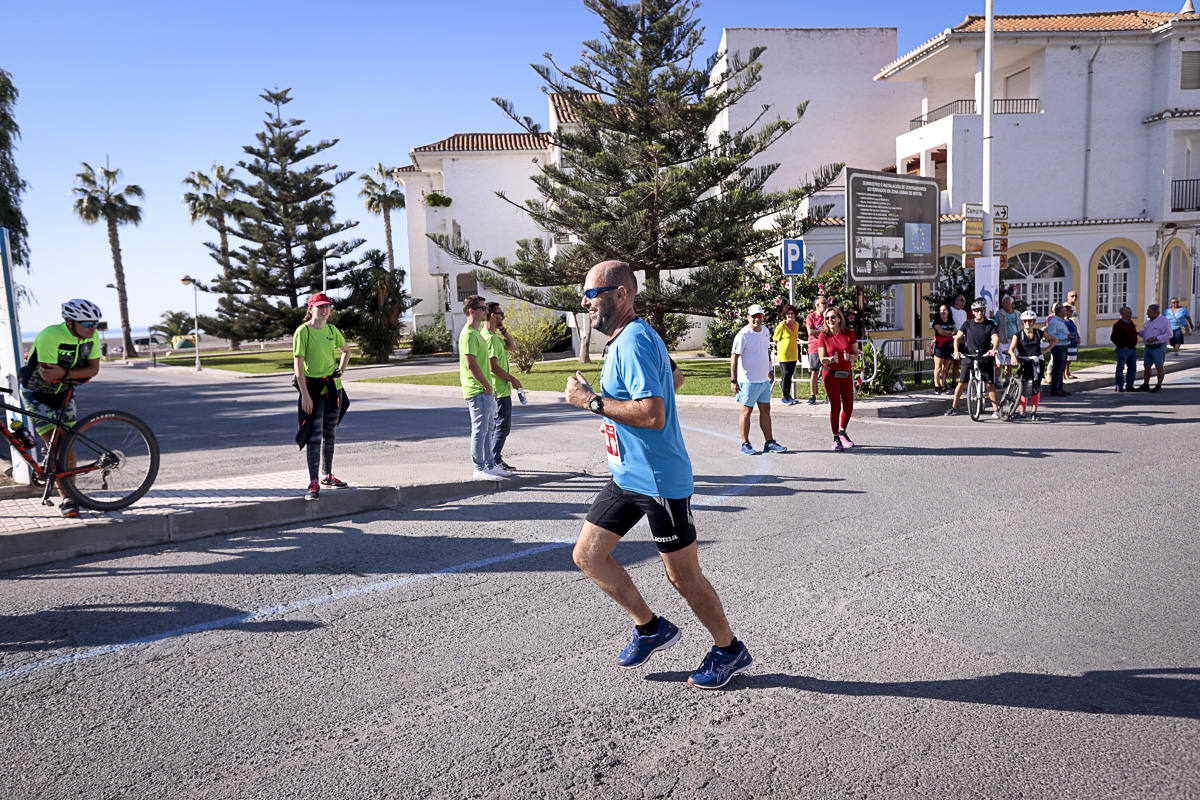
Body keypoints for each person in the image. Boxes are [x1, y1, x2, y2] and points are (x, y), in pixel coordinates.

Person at [565, 260, 752, 690]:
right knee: (588, 556)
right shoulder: (634, 337)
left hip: (659, 481)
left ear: (620, 294)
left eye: (592, 294)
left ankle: (729, 649)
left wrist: (592, 403)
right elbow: (676, 377)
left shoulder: (631, 342)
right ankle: (651, 628)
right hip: (626, 475)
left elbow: (651, 413)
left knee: (682, 577)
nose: (585, 301)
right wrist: (615, 416)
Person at [19, 299, 103, 518]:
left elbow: (93, 370)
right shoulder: (50, 335)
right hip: (38, 392)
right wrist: (74, 375)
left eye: (95, 323)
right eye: (87, 323)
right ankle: (67, 499)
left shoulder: (91, 336)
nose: (92, 327)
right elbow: (48, 375)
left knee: (67, 445)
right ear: (70, 321)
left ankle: (70, 494)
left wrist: (66, 375)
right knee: (55, 444)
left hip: (65, 389)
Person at [293, 292, 352, 501]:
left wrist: (341, 370)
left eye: (327, 306)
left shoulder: (331, 329)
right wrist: (305, 396)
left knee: (330, 434)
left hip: (333, 388)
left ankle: (327, 476)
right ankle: (313, 482)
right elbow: (298, 368)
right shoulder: (303, 332)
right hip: (313, 391)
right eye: (320, 307)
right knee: (314, 436)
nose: (325, 310)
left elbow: (346, 350)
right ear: (310, 309)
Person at [458, 295, 508, 481]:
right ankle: (479, 468)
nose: (486, 312)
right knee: (480, 430)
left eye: (486, 308)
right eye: (483, 308)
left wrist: (490, 387)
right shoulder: (469, 335)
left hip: (485, 390)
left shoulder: (477, 333)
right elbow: (471, 365)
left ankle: (489, 465)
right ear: (472, 311)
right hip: (477, 390)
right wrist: (485, 385)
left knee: (488, 429)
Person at [731, 304, 786, 455]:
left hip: (763, 380)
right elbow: (734, 357)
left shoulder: (766, 331)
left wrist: (770, 370)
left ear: (763, 317)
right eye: (753, 316)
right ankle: (745, 443)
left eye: (759, 316)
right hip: (747, 381)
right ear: (748, 317)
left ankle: (769, 442)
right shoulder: (743, 335)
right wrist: (734, 380)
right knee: (746, 411)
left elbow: (766, 351)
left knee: (766, 410)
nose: (756, 319)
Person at [944, 298, 1001, 418]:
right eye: (977, 310)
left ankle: (996, 410)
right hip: (969, 356)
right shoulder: (967, 324)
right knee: (961, 383)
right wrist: (956, 351)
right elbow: (957, 338)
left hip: (985, 356)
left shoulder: (989, 324)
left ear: (984, 311)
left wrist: (994, 348)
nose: (979, 312)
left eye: (982, 310)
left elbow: (995, 337)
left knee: (989, 384)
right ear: (973, 312)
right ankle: (953, 407)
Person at [484, 301, 522, 473]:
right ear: (493, 315)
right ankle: (494, 460)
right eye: (501, 314)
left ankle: (494, 459)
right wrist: (513, 379)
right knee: (502, 427)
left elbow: (512, 347)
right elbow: (493, 367)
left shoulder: (494, 337)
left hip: (500, 390)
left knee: (498, 426)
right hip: (499, 390)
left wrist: (503, 329)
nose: (503, 316)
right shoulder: (490, 339)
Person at [817, 306, 860, 450]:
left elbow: (856, 354)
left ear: (839, 318)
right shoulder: (823, 336)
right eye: (827, 318)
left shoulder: (849, 334)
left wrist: (850, 357)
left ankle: (842, 432)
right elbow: (822, 359)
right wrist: (830, 359)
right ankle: (835, 438)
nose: (830, 320)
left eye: (833, 317)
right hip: (831, 375)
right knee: (836, 406)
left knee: (849, 406)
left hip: (846, 374)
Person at [1008, 309, 1054, 420]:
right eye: (1025, 321)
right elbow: (1011, 349)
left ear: (1033, 321)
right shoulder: (1018, 335)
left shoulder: (1039, 333)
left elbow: (1054, 340)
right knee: (1022, 388)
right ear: (1022, 322)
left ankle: (1034, 412)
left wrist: (1046, 350)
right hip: (1025, 362)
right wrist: (1013, 356)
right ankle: (1022, 412)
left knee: (1036, 387)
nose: (1028, 323)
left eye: (1030, 321)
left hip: (1037, 362)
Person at [1136, 303, 1172, 392]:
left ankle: (1158, 385)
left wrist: (1156, 338)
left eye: (1149, 312)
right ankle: (1146, 384)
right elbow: (1146, 332)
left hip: (1158, 347)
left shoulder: (1164, 321)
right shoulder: (1148, 321)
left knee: (1159, 366)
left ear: (1156, 312)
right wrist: (1138, 332)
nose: (1147, 314)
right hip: (1148, 347)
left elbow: (1169, 334)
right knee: (1146, 366)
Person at [772, 304, 801, 405]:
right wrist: (781, 347)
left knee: (790, 376)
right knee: (785, 375)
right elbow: (775, 339)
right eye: (788, 313)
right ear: (785, 314)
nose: (790, 315)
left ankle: (788, 396)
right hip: (784, 354)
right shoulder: (781, 325)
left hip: (793, 353)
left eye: (792, 313)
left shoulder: (796, 324)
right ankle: (784, 397)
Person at [803, 296, 827, 404]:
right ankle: (812, 396)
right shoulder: (811, 317)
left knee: (827, 373)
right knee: (814, 372)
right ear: (817, 305)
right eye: (824, 303)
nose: (826, 305)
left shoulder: (828, 316)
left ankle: (829, 395)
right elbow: (810, 332)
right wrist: (822, 331)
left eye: (826, 303)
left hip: (827, 347)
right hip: (814, 348)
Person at [1110, 306, 1139, 393]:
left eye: (1130, 312)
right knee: (1120, 368)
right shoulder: (1118, 325)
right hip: (1123, 349)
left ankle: (1129, 386)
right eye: (1128, 313)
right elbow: (1113, 338)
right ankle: (1119, 386)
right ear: (1122, 314)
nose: (1130, 314)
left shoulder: (1131, 323)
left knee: (1132, 368)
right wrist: (1122, 345)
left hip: (1132, 349)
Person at [1045, 303, 1072, 396]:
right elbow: (1052, 336)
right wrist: (1066, 336)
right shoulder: (1054, 321)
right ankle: (1055, 388)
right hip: (1058, 347)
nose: (1066, 312)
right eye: (1064, 310)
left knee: (1062, 368)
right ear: (1060, 312)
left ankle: (1060, 387)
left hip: (1064, 346)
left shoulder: (1061, 321)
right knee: (1058, 368)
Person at [931, 304, 956, 394]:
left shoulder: (951, 321)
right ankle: (937, 386)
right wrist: (950, 333)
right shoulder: (937, 322)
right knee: (938, 368)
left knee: (946, 368)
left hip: (949, 346)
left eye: (944, 310)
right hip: (939, 346)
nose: (943, 312)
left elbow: (955, 331)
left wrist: (949, 333)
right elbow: (941, 332)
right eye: (941, 310)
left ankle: (943, 385)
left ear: (948, 311)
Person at [993, 295, 1019, 382]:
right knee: (999, 362)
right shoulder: (999, 313)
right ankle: (997, 380)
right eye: (1003, 303)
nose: (1004, 305)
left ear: (1012, 304)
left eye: (1007, 303)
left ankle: (1007, 380)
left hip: (1014, 341)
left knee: (1010, 362)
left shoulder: (1018, 314)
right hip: (1002, 341)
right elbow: (995, 325)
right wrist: (992, 318)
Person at [1063, 304, 1080, 380]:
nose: (1071, 313)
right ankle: (1065, 373)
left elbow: (1075, 330)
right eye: (1070, 311)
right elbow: (1065, 332)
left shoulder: (1071, 321)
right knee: (1067, 359)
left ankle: (1067, 372)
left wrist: (1078, 337)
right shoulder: (1064, 322)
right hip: (1068, 343)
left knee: (1070, 360)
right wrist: (1070, 336)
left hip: (1073, 342)